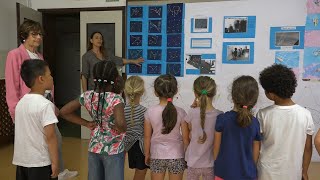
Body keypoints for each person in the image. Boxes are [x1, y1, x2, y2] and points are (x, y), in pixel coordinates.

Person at [5, 19, 78, 179]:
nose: (38, 37)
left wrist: (52, 105)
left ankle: (57, 170)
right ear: (24, 36)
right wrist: (16, 115)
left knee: (54, 138)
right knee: (38, 143)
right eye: (34, 34)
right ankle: (48, 171)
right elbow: (12, 87)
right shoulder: (15, 55)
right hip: (27, 109)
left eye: (40, 34)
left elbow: (46, 83)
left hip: (42, 106)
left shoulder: (38, 55)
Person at [60, 60, 127, 180]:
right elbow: (121, 123)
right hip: (114, 149)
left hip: (94, 146)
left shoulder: (88, 96)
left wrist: (86, 123)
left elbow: (64, 112)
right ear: (115, 78)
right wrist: (121, 128)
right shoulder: (116, 99)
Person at [257, 64, 315, 180]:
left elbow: (256, 145)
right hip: (293, 173)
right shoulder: (305, 114)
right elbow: (308, 148)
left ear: (271, 94)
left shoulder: (263, 114)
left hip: (266, 173)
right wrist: (304, 170)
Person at [13, 60, 59, 180]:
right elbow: (51, 137)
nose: (52, 78)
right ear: (41, 79)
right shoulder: (46, 105)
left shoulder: (21, 103)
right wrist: (55, 163)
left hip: (22, 162)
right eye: (49, 75)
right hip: (41, 163)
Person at [213, 76, 261, 180]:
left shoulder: (222, 119)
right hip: (248, 174)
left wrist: (218, 165)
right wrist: (250, 168)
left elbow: (216, 149)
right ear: (254, 99)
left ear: (233, 96)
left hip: (224, 172)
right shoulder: (255, 123)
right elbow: (255, 151)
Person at [144, 74, 189, 180]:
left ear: (155, 92)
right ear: (176, 91)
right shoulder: (181, 112)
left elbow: (146, 137)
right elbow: (186, 139)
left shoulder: (149, 112)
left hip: (157, 155)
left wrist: (147, 154)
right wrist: (187, 155)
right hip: (177, 156)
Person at [185, 76, 222, 180]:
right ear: (214, 93)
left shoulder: (192, 112)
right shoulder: (220, 115)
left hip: (193, 162)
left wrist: (194, 108)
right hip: (211, 163)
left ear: (195, 93)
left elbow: (190, 130)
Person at [123, 76, 149, 180]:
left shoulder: (121, 110)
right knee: (141, 172)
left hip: (127, 145)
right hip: (141, 146)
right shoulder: (145, 111)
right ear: (142, 92)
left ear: (125, 91)